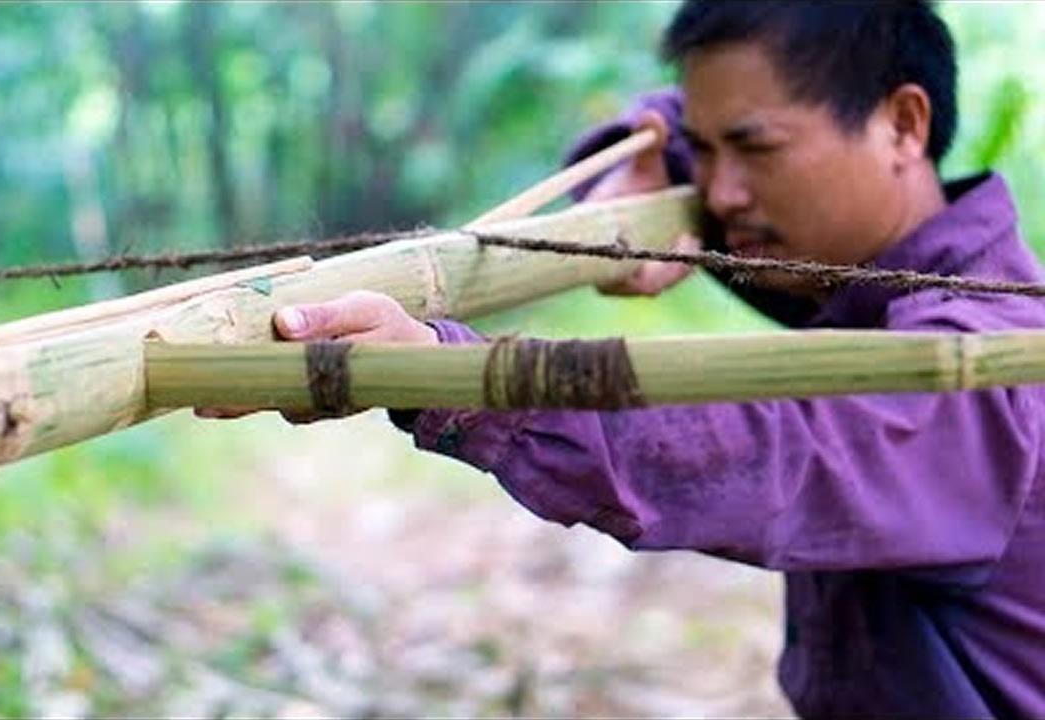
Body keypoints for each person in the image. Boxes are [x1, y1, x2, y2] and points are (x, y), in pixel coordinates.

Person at [214, 2, 1045, 715]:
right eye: (706, 152)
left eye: (755, 150)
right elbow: (699, 137)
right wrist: (648, 152)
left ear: (902, 124)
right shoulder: (875, 279)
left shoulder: (979, 369)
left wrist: (445, 370)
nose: (721, 195)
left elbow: (765, 438)